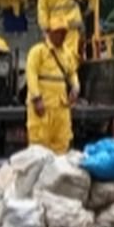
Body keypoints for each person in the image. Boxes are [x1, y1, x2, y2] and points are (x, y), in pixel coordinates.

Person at [27, 17, 79, 154]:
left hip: (61, 108)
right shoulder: (37, 51)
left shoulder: (67, 53)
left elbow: (72, 73)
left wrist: (75, 87)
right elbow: (31, 74)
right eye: (58, 32)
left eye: (64, 33)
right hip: (43, 108)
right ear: (49, 33)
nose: (61, 36)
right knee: (39, 147)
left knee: (62, 144)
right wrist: (37, 99)